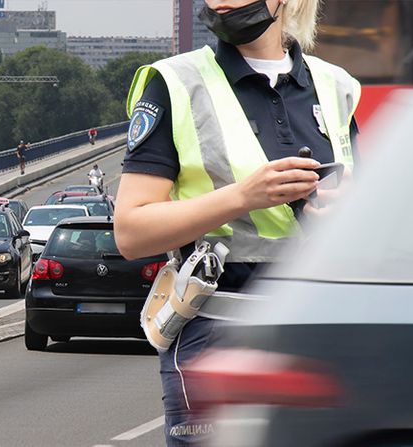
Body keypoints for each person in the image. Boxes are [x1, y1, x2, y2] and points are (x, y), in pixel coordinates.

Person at [114, 0, 360, 445]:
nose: (221, 3)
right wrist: (243, 196)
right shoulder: (175, 82)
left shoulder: (335, 86)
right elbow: (131, 232)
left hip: (321, 332)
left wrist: (346, 212)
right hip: (217, 333)